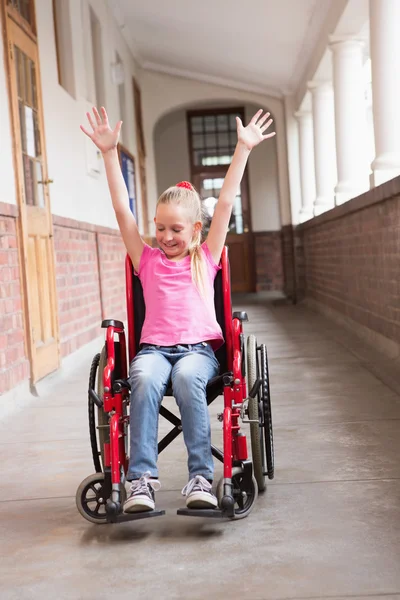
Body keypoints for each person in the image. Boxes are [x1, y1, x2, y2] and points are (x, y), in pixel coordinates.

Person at [80, 106, 275, 513]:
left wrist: (242, 149)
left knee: (188, 378)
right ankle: (142, 482)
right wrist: (108, 154)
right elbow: (121, 211)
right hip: (153, 351)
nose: (166, 236)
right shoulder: (146, 260)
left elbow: (222, 205)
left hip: (197, 354)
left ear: (195, 231)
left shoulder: (206, 258)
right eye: (160, 227)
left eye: (176, 229)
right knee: (145, 380)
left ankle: (200, 477)